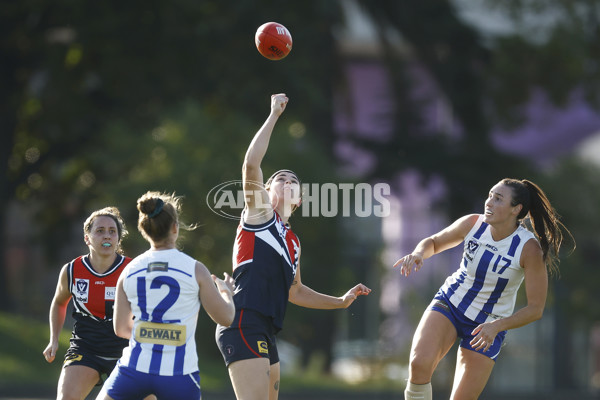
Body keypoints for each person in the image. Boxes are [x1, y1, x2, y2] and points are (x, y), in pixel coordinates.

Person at [215, 93, 372, 400]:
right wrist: (274, 114)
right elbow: (250, 165)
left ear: (299, 200)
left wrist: (340, 301)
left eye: (293, 180)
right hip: (243, 318)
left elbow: (296, 291)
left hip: (266, 328)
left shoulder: (293, 242)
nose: (287, 180)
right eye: (280, 178)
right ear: (267, 190)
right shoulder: (260, 215)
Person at [394, 178, 573, 400]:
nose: (488, 202)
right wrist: (419, 254)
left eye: (498, 199)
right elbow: (433, 242)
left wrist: (496, 326)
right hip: (451, 303)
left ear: (515, 210)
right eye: (489, 195)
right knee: (419, 364)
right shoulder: (473, 224)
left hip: (487, 325)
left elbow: (535, 309)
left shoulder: (529, 249)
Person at [96, 191, 235, 400]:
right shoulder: (195, 269)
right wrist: (227, 292)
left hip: (133, 371)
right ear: (175, 228)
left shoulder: (129, 270)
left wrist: (151, 332)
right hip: (179, 376)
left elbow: (120, 328)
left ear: (144, 230)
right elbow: (226, 318)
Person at [43, 207, 155, 400]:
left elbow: (151, 311)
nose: (107, 236)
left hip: (128, 349)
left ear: (119, 239)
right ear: (87, 238)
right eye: (100, 230)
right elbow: (59, 303)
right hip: (86, 348)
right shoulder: (71, 270)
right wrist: (54, 339)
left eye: (112, 231)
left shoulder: (133, 270)